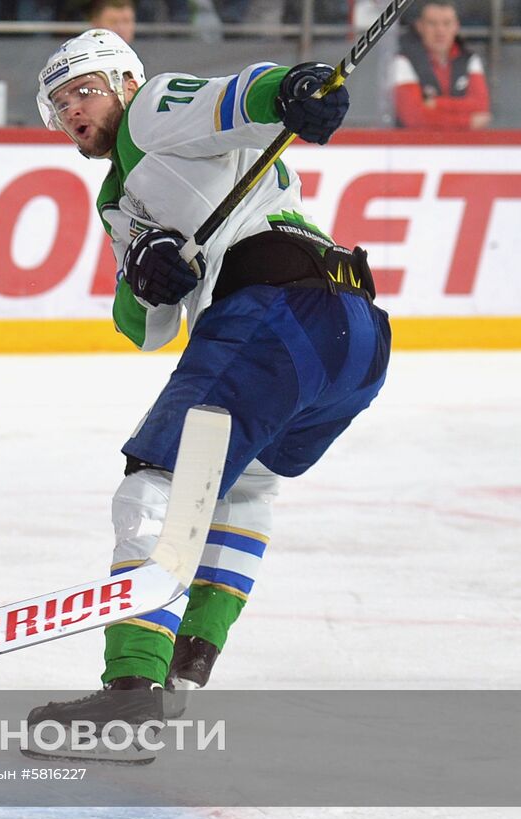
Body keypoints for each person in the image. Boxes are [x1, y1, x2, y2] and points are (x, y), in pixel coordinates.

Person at [25, 30, 391, 759]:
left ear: (126, 81)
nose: (72, 108)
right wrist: (148, 268)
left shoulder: (149, 109)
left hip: (275, 318)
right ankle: (186, 671)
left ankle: (131, 696)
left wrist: (290, 91)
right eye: (59, 103)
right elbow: (150, 328)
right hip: (352, 334)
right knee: (243, 491)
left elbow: (236, 101)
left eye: (85, 89)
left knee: (154, 490)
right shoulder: (121, 196)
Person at [392, 0, 491, 129]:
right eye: (432, 23)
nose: (440, 30)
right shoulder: (403, 59)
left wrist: (436, 103)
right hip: (415, 146)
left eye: (447, 23)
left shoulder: (470, 59)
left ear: (456, 26)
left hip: (463, 147)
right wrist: (467, 122)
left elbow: (481, 106)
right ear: (420, 26)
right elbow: (413, 117)